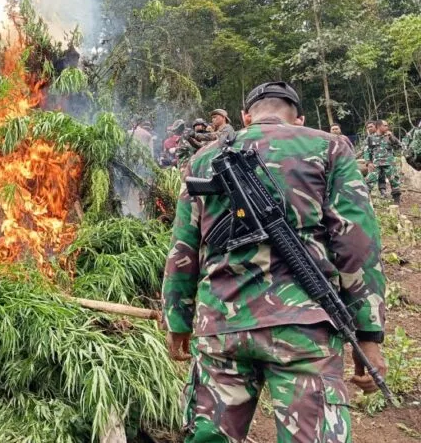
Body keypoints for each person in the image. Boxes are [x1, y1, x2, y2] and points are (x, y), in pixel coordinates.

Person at [163, 81, 386, 443]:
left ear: (245, 117)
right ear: (299, 118)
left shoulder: (203, 159)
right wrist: (369, 334)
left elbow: (183, 248)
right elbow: (357, 246)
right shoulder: (329, 148)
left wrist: (178, 319)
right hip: (304, 330)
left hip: (222, 325)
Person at [364, 119, 402, 204]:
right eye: (385, 125)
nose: (387, 127)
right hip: (376, 164)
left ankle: (397, 202)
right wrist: (368, 162)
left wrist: (392, 138)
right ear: (379, 126)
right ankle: (364, 201)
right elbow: (366, 151)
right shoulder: (370, 138)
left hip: (389, 163)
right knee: (369, 181)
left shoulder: (389, 136)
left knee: (394, 181)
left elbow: (399, 148)